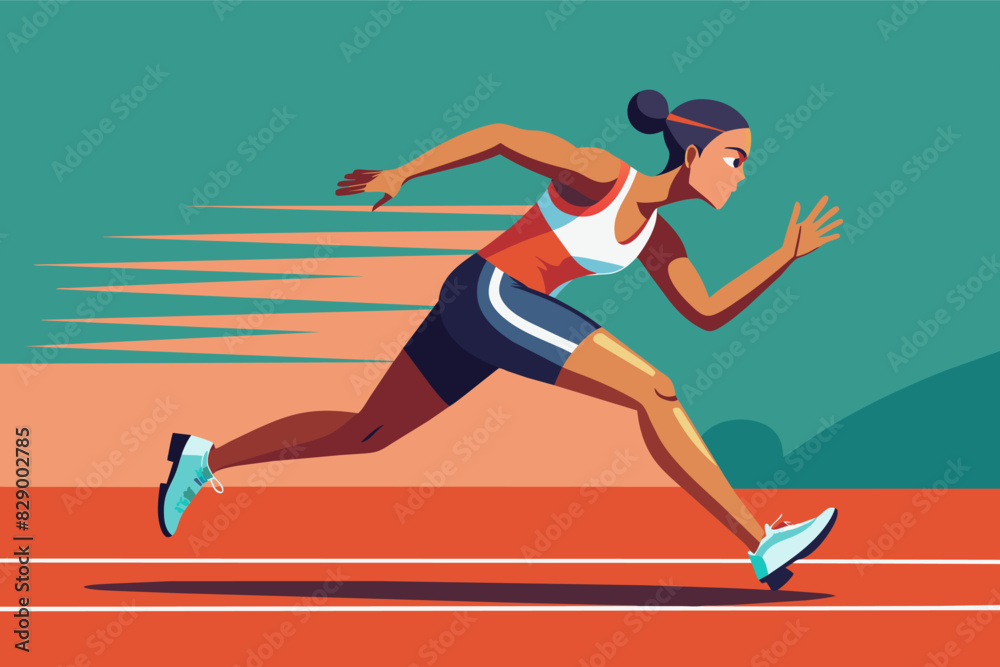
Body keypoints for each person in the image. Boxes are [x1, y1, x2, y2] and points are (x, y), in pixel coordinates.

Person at [157, 89, 841, 590]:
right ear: (692, 154)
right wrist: (405, 172)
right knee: (654, 389)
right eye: (735, 158)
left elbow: (707, 311)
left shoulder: (660, 238)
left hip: (483, 309)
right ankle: (761, 543)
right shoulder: (605, 176)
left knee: (369, 432)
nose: (742, 173)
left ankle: (203, 458)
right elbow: (500, 136)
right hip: (492, 295)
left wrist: (784, 256)